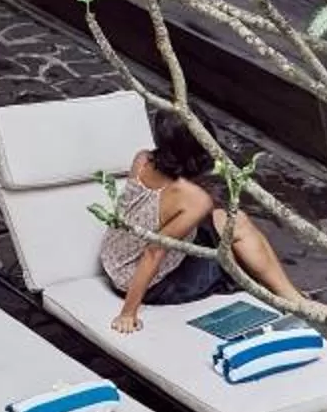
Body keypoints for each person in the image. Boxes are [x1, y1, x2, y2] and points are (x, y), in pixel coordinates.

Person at [102, 110, 315, 332]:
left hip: (115, 260)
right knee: (236, 239)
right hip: (148, 284)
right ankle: (292, 298)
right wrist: (128, 313)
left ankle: (290, 295)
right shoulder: (194, 199)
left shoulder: (143, 159)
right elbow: (153, 252)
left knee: (228, 220)